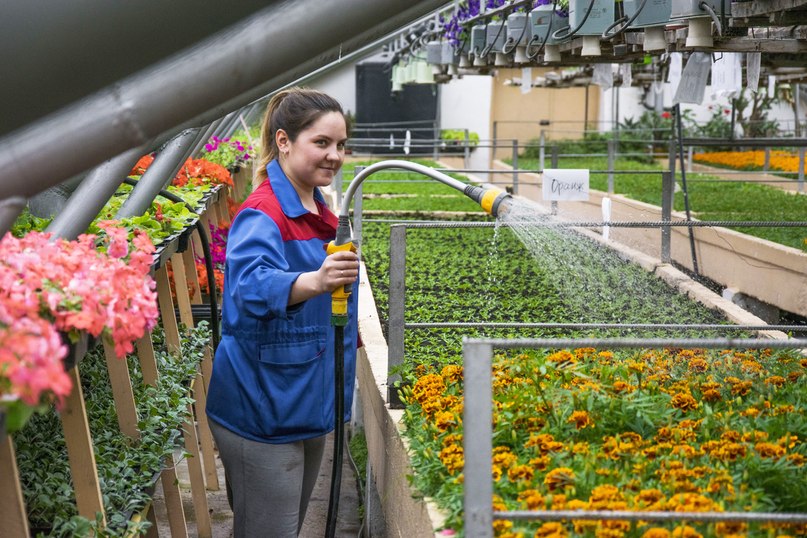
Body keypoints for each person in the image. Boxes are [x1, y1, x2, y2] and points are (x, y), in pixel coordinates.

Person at [206, 87, 360, 537]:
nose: (335, 155)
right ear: (283, 141)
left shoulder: (316, 204)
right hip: (263, 409)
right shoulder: (265, 212)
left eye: (340, 145)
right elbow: (249, 286)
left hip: (302, 399)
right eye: (322, 143)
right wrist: (317, 280)